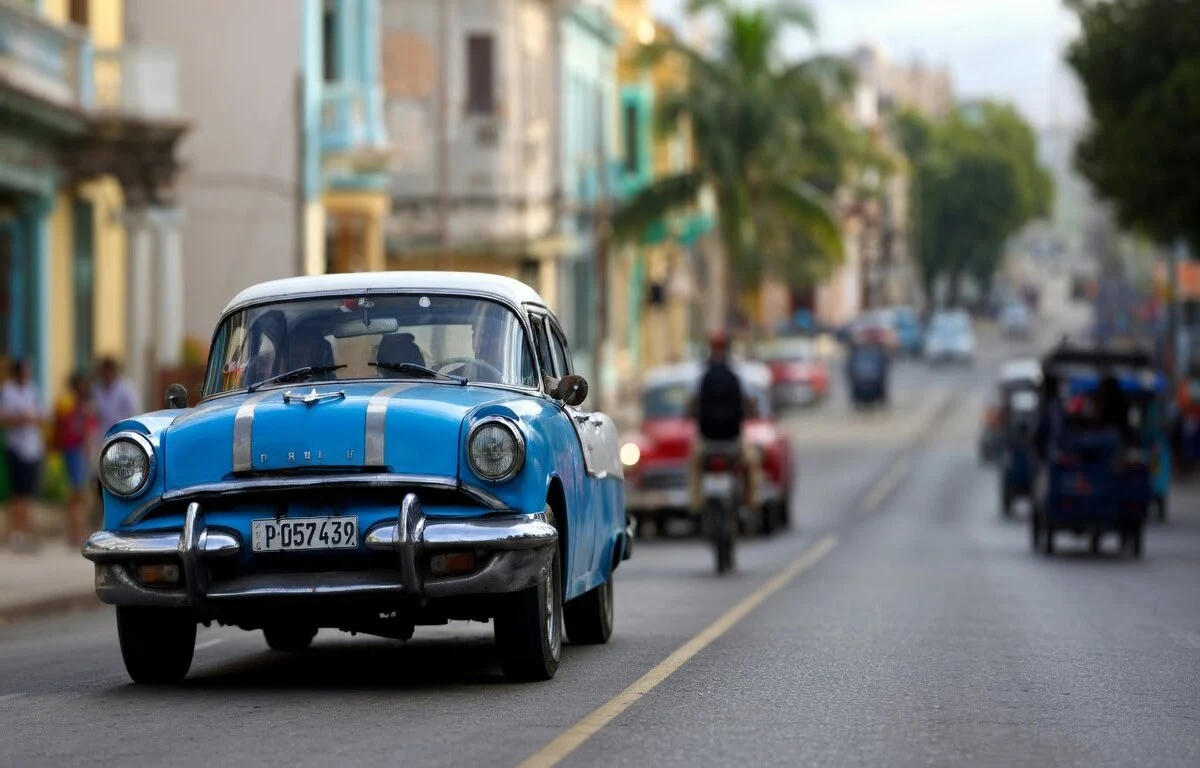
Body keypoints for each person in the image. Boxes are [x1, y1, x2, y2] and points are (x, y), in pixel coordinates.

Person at [687, 331, 758, 512]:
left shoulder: (701, 376)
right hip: (732, 440)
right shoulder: (738, 375)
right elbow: (750, 404)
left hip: (707, 440)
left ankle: (696, 504)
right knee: (751, 462)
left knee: (694, 465)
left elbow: (691, 406)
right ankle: (750, 502)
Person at [0, 359, 49, 552]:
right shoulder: (8, 391)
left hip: (32, 448)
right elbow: (4, 418)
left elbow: (42, 413)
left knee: (28, 494)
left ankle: (27, 532)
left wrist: (34, 417)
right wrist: (22, 417)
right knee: (17, 493)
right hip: (16, 447)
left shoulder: (32, 389)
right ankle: (16, 533)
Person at [54, 372, 99, 546]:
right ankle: (75, 532)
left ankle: (76, 531)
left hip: (80, 450)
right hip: (73, 450)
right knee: (76, 492)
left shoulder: (81, 405)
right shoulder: (69, 404)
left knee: (79, 493)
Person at [93, 357, 141, 437]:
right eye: (104, 372)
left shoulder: (126, 388)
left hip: (123, 432)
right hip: (103, 434)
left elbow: (133, 410)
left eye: (109, 371)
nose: (107, 374)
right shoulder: (97, 389)